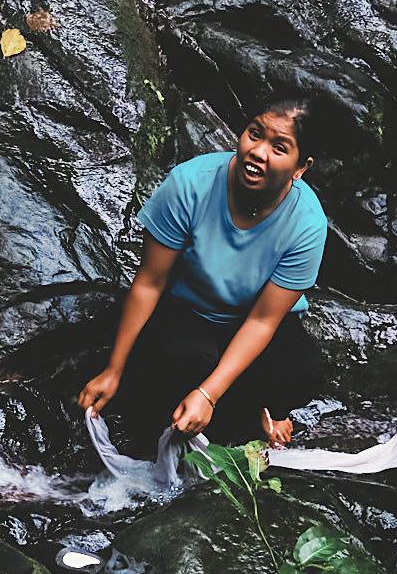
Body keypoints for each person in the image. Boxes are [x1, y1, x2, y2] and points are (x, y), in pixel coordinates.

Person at [77, 98, 329, 450]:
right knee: (180, 365)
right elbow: (149, 281)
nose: (258, 152)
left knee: (303, 370)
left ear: (300, 167)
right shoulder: (190, 185)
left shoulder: (307, 224)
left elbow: (263, 321)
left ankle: (264, 408)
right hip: (188, 311)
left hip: (253, 320)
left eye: (279, 148)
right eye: (254, 134)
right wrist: (113, 370)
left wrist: (208, 394)